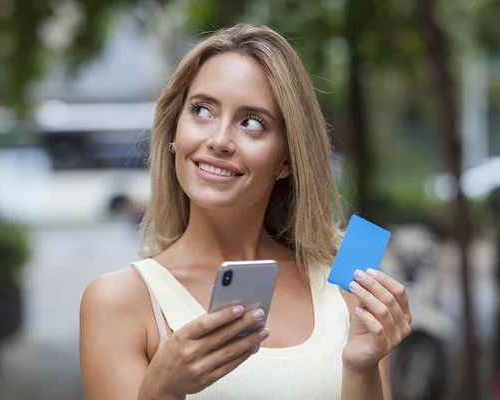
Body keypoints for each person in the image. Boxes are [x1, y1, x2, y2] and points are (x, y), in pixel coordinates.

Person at [79, 23, 412, 400]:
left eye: (252, 123)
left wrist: (361, 367)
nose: (219, 140)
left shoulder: (346, 284)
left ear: (286, 159)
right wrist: (162, 389)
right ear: (174, 130)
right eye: (202, 110)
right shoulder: (119, 301)